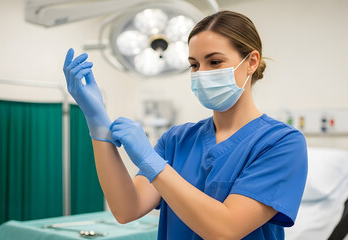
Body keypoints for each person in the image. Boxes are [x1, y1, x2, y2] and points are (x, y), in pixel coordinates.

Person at [63, 10, 308, 240]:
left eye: (214, 62)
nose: (201, 73)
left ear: (251, 62)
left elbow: (226, 229)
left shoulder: (281, 143)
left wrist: (152, 162)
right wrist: (98, 126)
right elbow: (127, 209)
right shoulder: (177, 139)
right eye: (194, 64)